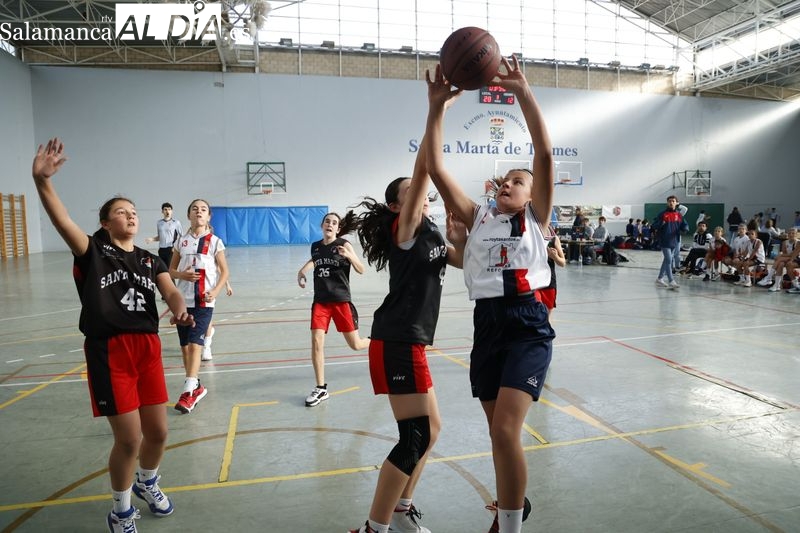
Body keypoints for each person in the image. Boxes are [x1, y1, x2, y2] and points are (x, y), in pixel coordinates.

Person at [31, 138, 194, 533]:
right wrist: (42, 182)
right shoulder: (93, 251)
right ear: (106, 223)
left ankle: (147, 482)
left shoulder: (148, 258)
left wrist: (178, 306)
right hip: (109, 350)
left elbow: (168, 288)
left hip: (147, 347)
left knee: (158, 432)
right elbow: (62, 220)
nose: (131, 216)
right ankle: (120, 511)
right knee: (129, 439)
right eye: (121, 212)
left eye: (134, 212)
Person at [425, 56, 552, 533]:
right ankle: (514, 503)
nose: (508, 184)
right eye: (505, 180)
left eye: (517, 182)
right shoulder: (478, 217)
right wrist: (437, 107)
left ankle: (510, 524)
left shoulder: (534, 218)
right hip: (487, 324)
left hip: (526, 324)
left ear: (531, 195)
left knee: (504, 429)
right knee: (498, 435)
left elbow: (543, 152)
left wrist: (523, 93)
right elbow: (436, 167)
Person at [348, 138, 465, 532]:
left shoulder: (430, 230)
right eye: (412, 192)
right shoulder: (406, 227)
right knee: (413, 437)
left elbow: (461, 260)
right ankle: (373, 527)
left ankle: (400, 510)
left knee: (431, 431)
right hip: (396, 340)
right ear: (397, 206)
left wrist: (459, 236)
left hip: (410, 341)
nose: (421, 194)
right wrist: (436, 113)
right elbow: (424, 172)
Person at [297, 211, 370, 407]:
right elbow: (316, 259)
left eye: (334, 223)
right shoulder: (316, 247)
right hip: (320, 302)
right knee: (316, 341)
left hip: (340, 301)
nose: (330, 224)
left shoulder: (344, 245)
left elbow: (361, 269)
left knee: (355, 345)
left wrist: (350, 257)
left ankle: (376, 341)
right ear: (322, 226)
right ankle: (321, 388)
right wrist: (302, 271)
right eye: (327, 221)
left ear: (338, 229)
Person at [169, 199, 229, 414]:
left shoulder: (214, 241)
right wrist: (182, 275)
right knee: (185, 347)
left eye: (203, 209)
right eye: (195, 209)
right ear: (189, 215)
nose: (199, 212)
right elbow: (170, 271)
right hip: (182, 301)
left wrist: (215, 291)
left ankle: (187, 391)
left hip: (204, 302)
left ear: (209, 216)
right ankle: (196, 386)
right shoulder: (181, 242)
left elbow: (225, 272)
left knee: (196, 345)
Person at [651, 195, 687, 289]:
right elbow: (654, 225)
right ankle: (671, 281)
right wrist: (660, 224)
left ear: (676, 203)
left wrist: (685, 228)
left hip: (675, 240)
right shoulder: (662, 214)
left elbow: (684, 224)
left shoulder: (679, 214)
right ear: (667, 203)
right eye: (669, 201)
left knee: (667, 260)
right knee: (669, 259)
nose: (671, 202)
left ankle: (659, 279)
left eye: (673, 201)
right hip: (664, 240)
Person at [201, 279, 233, 361]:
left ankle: (206, 347)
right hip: (191, 292)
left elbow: (222, 271)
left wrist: (227, 285)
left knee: (207, 318)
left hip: (209, 292)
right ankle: (209, 333)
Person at [145, 202, 183, 270]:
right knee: (163, 270)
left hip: (171, 249)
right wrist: (152, 239)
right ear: (162, 211)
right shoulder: (159, 223)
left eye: (169, 209)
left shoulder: (176, 222)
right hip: (161, 249)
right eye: (165, 209)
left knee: (169, 270)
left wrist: (175, 247)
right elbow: (160, 237)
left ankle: (171, 281)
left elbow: (181, 237)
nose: (167, 211)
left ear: (172, 211)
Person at [537, 228, 565, 315]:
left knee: (546, 317)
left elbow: (562, 263)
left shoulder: (553, 238)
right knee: (535, 314)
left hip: (548, 282)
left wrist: (555, 257)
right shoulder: (528, 233)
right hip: (533, 282)